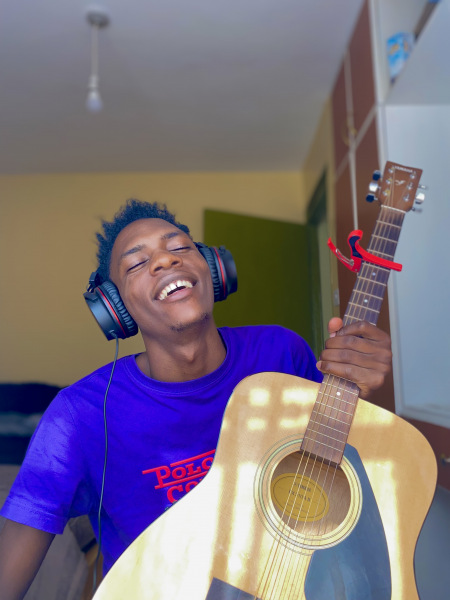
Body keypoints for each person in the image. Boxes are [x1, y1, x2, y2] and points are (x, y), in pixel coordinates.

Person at [0, 200, 392, 599]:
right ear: (115, 309)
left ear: (213, 269)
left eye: (180, 247)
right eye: (137, 263)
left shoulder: (280, 352)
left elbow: (342, 475)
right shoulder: (78, 415)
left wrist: (360, 391)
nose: (165, 261)